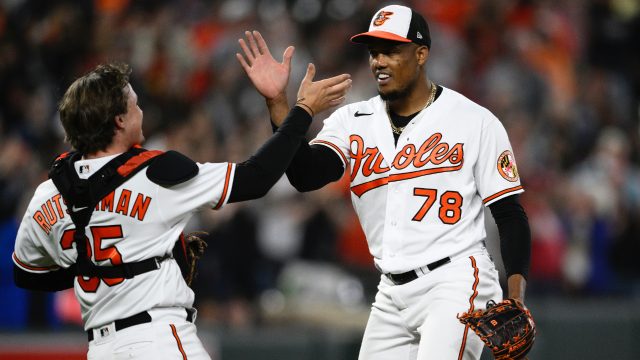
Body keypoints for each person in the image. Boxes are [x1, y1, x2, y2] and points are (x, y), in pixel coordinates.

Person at [237, 4, 532, 360]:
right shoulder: (353, 119)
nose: (379, 61)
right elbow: (305, 175)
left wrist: (515, 295)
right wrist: (279, 104)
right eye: (374, 51)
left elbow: (509, 214)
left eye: (392, 50)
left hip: (454, 278)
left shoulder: (473, 120)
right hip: (390, 291)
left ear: (421, 54)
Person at [12, 59, 350, 359]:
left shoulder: (47, 193)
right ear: (118, 120)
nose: (141, 112)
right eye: (135, 105)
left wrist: (98, 263)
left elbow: (26, 274)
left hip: (101, 348)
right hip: (160, 339)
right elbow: (257, 178)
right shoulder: (155, 173)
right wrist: (301, 110)